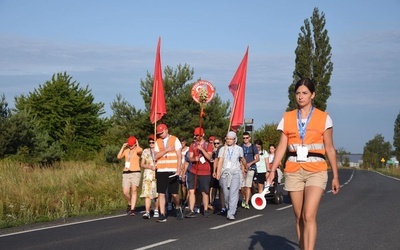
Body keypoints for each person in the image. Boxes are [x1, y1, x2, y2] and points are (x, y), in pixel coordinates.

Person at [266, 78, 340, 250]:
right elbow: (282, 146)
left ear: (312, 95)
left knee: (309, 215)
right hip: (293, 170)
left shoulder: (324, 118)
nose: (301, 96)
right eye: (298, 93)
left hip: (317, 170)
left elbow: (330, 148)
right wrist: (272, 170)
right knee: (299, 216)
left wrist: (335, 176)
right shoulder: (288, 117)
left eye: (305, 93)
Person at [154, 124, 184, 222]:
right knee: (161, 193)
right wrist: (166, 150)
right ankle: (162, 213)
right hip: (161, 169)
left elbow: (179, 155)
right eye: (159, 134)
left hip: (172, 169)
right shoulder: (157, 142)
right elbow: (156, 156)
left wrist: (179, 168)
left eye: (162, 133)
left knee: (174, 193)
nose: (160, 135)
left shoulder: (175, 140)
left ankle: (177, 207)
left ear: (166, 130)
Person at [216, 131, 246, 220]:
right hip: (225, 173)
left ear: (235, 140)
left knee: (234, 192)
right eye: (227, 139)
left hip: (235, 172)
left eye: (231, 139)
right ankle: (229, 206)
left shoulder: (239, 149)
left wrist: (245, 167)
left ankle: (231, 212)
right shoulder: (222, 149)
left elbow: (241, 159)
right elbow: (220, 161)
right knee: (226, 194)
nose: (229, 140)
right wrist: (218, 172)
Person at [185, 127, 213, 218]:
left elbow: (209, 157)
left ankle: (205, 209)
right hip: (194, 171)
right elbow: (189, 157)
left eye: (199, 135)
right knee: (191, 190)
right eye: (196, 135)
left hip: (205, 172)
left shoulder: (208, 145)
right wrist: (194, 159)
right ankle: (191, 209)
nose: (197, 137)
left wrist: (202, 149)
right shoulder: (192, 145)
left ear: (203, 135)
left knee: (204, 192)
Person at [117, 135, 143, 216]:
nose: (130, 146)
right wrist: (123, 147)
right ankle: (130, 203)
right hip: (126, 172)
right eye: (129, 144)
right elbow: (118, 156)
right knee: (125, 192)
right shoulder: (126, 150)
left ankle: (132, 209)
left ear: (135, 144)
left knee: (134, 190)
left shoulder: (138, 150)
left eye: (132, 144)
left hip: (135, 172)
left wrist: (137, 143)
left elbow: (140, 150)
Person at [140, 135, 159, 219]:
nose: (151, 144)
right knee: (147, 194)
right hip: (148, 174)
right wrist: (149, 167)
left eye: (153, 142)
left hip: (157, 174)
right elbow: (142, 164)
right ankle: (147, 211)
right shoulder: (145, 151)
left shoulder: (159, 151)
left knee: (156, 194)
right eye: (150, 142)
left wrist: (157, 165)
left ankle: (156, 210)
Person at [240, 132, 259, 209]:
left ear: (249, 138)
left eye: (247, 138)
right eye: (244, 138)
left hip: (251, 168)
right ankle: (244, 198)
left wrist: (250, 163)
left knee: (248, 186)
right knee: (241, 186)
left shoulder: (253, 147)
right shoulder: (241, 147)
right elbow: (240, 158)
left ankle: (247, 202)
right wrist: (243, 167)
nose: (245, 139)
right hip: (242, 167)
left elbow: (257, 158)